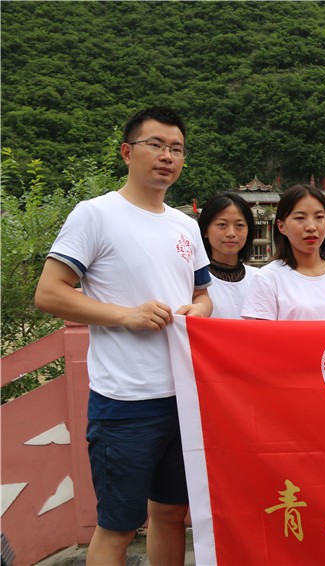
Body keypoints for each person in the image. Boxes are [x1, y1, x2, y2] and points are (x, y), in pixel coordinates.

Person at [34, 107, 211, 565]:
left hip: (184, 396)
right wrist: (125, 316)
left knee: (172, 514)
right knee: (118, 526)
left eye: (176, 149)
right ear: (127, 152)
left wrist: (198, 310)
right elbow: (49, 292)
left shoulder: (185, 225)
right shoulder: (95, 215)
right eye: (156, 145)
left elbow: (202, 294)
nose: (167, 156)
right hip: (125, 402)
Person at [241, 184, 325, 320]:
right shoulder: (267, 278)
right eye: (300, 218)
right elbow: (262, 332)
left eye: (319, 217)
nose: (311, 227)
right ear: (281, 226)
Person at [197, 192, 260, 319]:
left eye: (239, 225)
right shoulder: (196, 281)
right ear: (205, 231)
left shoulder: (260, 279)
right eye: (222, 225)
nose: (231, 233)